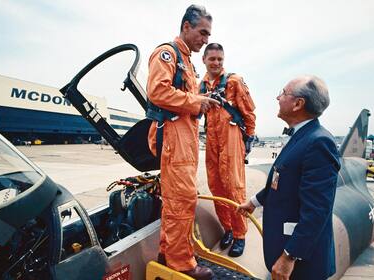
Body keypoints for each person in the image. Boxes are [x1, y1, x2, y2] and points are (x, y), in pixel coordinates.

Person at [238, 75, 341, 280]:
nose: (278, 98)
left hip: (303, 266)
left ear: (298, 104)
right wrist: (254, 202)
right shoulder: (302, 136)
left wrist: (289, 256)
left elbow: (317, 211)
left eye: (283, 93)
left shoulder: (318, 143)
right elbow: (283, 180)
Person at [146, 5, 220, 280]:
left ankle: (169, 252)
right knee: (182, 201)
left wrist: (199, 103)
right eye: (202, 32)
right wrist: (197, 102)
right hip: (175, 140)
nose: (205, 38)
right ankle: (181, 264)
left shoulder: (187, 60)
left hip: (185, 140)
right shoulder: (168, 54)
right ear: (186, 27)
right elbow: (158, 91)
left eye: (208, 34)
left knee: (177, 202)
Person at [200, 43, 256, 257]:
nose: (215, 63)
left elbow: (249, 113)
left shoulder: (234, 82)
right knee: (216, 186)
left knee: (234, 187)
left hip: (231, 138)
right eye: (212, 59)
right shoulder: (202, 85)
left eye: (219, 59)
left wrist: (248, 139)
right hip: (212, 140)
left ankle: (240, 235)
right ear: (204, 60)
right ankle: (228, 229)